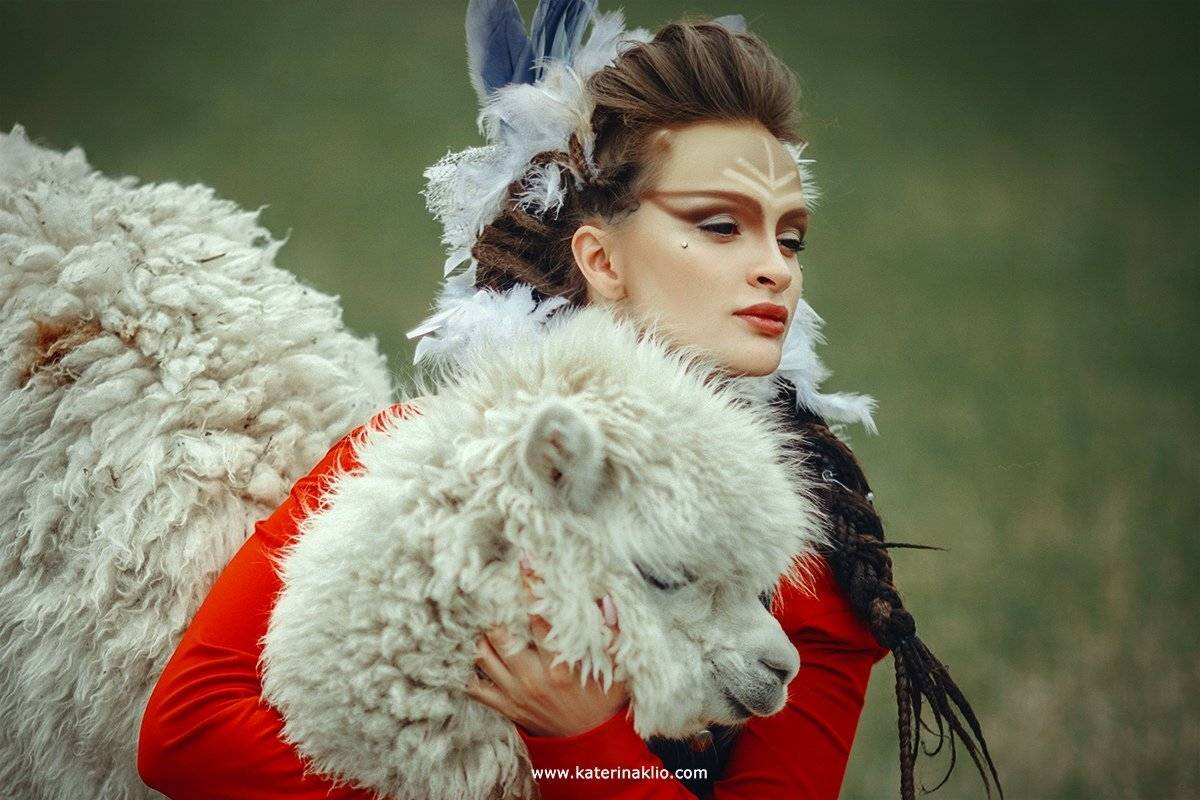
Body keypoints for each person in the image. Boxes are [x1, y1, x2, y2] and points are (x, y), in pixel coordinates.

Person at [137, 6, 1000, 800]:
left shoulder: (814, 549)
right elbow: (187, 731)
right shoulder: (426, 458)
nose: (777, 265)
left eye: (791, 234)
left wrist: (583, 741)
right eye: (720, 224)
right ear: (602, 258)